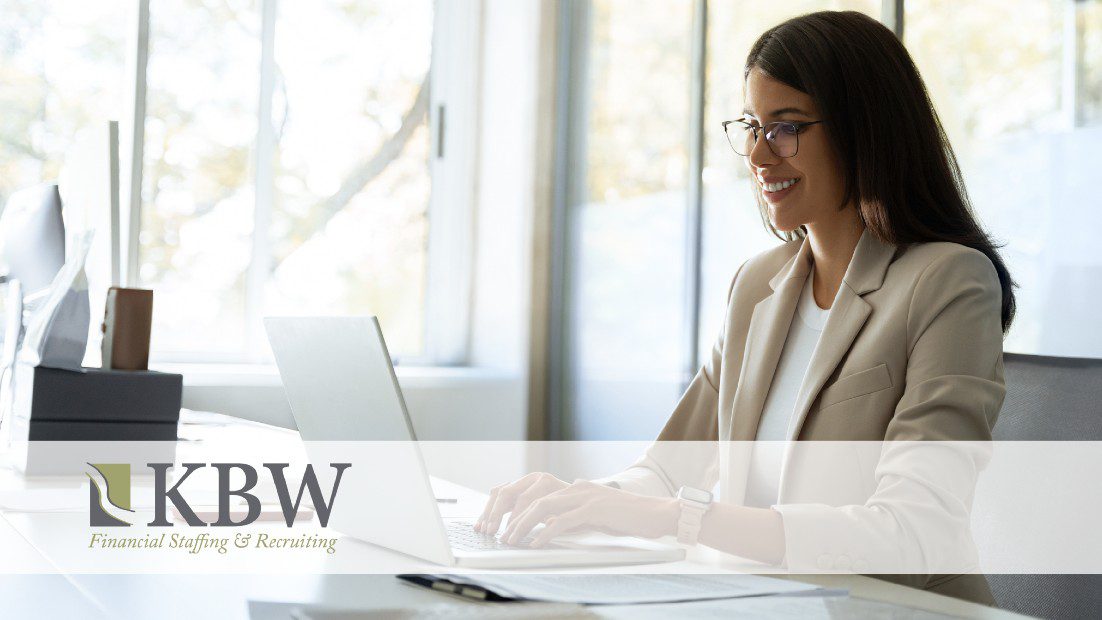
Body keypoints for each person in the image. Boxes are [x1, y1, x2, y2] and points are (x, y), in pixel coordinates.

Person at [476, 10, 1014, 606]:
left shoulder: (949, 281)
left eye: (785, 128)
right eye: (752, 126)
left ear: (865, 129)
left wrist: (673, 518)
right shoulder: (758, 285)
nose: (759, 154)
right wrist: (577, 499)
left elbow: (914, 534)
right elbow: (666, 474)